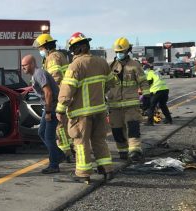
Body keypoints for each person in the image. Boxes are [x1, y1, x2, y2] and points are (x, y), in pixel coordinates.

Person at [55, 32, 116, 183]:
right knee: (99, 140)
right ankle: (106, 169)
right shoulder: (102, 62)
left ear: (76, 49)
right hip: (100, 111)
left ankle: (83, 174)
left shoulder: (76, 65)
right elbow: (111, 83)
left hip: (81, 114)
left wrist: (60, 109)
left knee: (81, 143)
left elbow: (67, 90)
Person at [106, 36, 149, 162]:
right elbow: (105, 84)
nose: (119, 54)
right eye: (117, 52)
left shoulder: (135, 65)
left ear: (127, 51)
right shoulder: (111, 66)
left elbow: (143, 82)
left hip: (131, 105)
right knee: (117, 130)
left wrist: (146, 96)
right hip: (114, 105)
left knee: (133, 128)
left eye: (121, 52)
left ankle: (135, 151)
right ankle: (123, 151)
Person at [21, 54, 65, 173]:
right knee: (41, 132)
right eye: (22, 65)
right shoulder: (36, 75)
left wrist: (49, 112)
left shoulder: (39, 73)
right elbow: (41, 89)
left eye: (24, 65)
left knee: (49, 137)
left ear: (31, 64)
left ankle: (54, 165)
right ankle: (59, 155)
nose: (22, 68)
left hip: (53, 107)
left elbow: (48, 93)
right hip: (49, 106)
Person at [33, 33, 73, 161]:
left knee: (59, 126)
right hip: (66, 94)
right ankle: (68, 150)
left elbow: (54, 78)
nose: (40, 51)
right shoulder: (60, 55)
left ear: (46, 46)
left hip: (59, 96)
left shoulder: (52, 58)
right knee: (64, 125)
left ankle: (64, 152)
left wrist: (49, 94)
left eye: (41, 48)